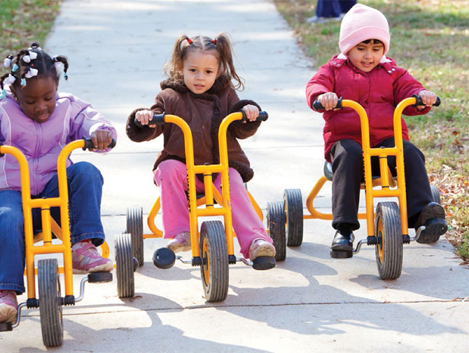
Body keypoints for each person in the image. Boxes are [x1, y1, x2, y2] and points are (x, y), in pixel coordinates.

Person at [0, 43, 117, 323]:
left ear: (57, 87)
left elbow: (92, 121)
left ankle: (82, 247)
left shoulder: (68, 107)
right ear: (14, 91)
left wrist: (99, 132)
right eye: (30, 101)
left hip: (55, 198)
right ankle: (5, 292)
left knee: (86, 172)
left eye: (48, 97)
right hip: (11, 194)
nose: (41, 107)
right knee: (7, 218)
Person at [305, 4, 448, 257]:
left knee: (410, 152)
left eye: (376, 48)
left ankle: (422, 216)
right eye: (361, 48)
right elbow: (316, 85)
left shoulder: (393, 72)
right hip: (348, 144)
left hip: (386, 144)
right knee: (348, 154)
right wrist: (322, 95)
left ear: (384, 48)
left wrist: (420, 96)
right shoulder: (334, 70)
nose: (369, 56)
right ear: (347, 47)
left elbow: (409, 90)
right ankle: (345, 230)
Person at [125, 33, 275, 263]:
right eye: (193, 70)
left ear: (218, 71)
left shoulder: (225, 95)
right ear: (180, 67)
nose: (200, 78)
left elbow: (239, 126)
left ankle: (255, 241)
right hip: (184, 174)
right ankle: (181, 233)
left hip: (220, 168)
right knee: (167, 168)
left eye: (208, 72)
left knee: (233, 181)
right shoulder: (169, 97)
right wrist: (143, 118)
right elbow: (154, 121)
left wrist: (248, 114)